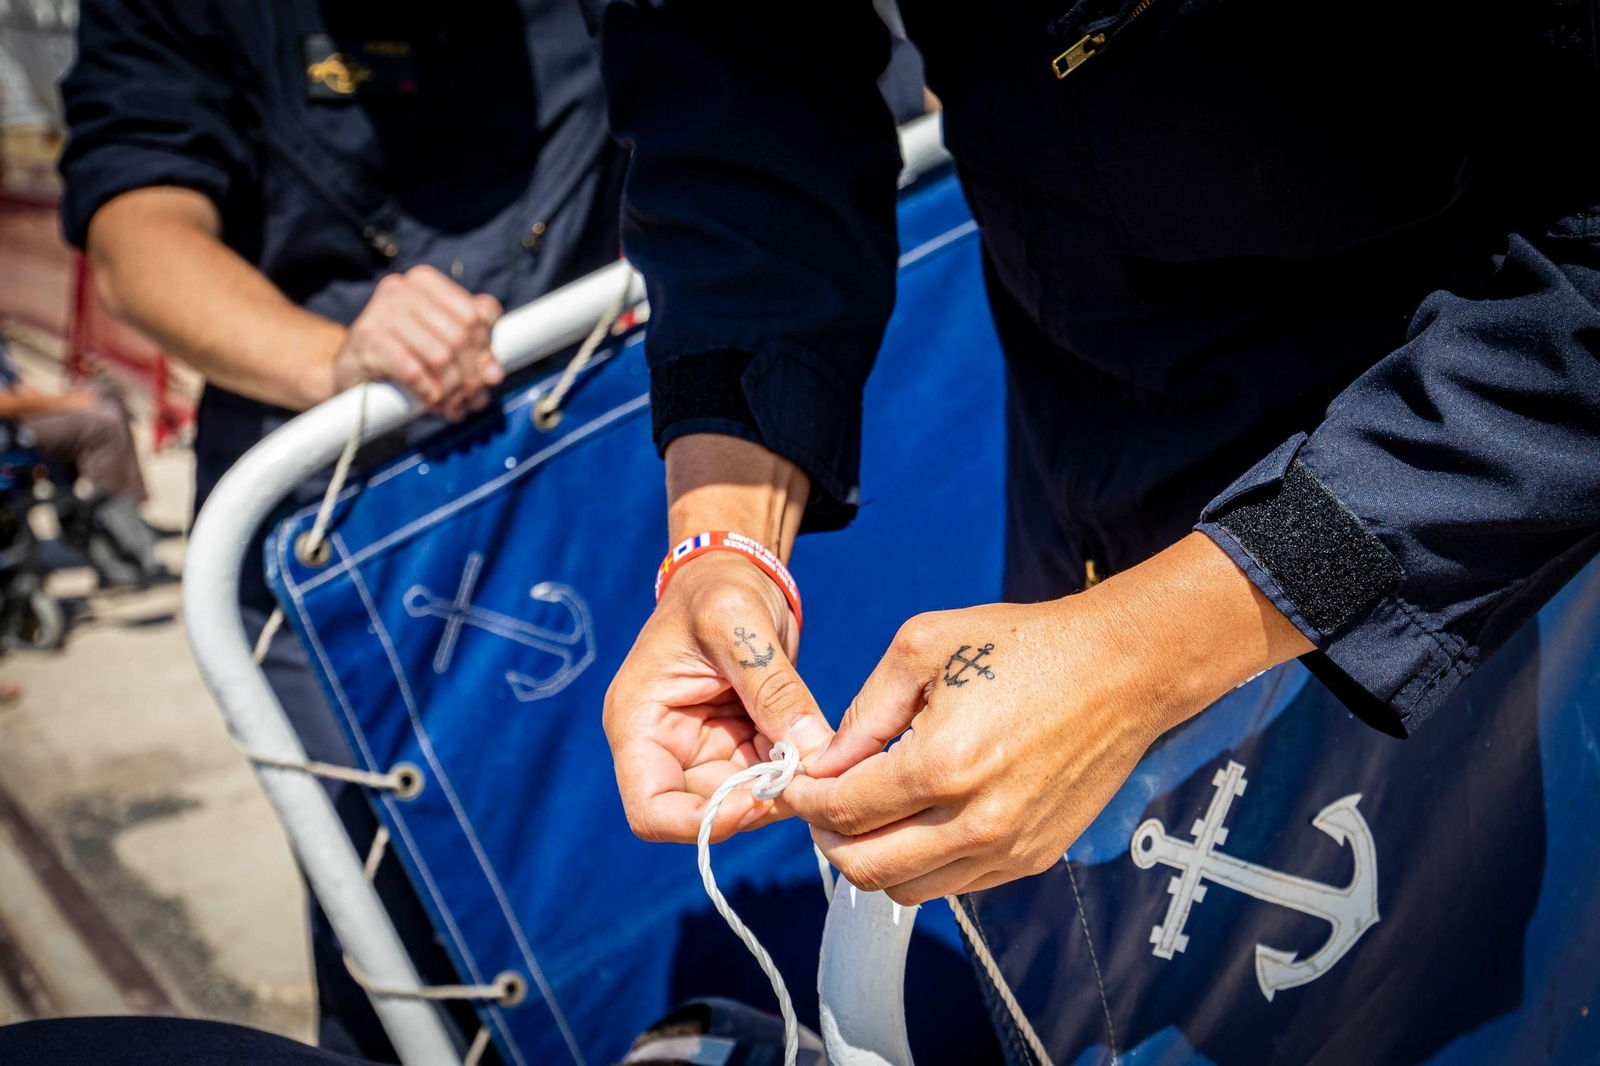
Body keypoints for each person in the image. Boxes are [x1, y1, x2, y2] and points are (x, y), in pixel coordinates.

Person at [593, 0, 1599, 922]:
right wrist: (725, 541)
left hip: (1482, 527)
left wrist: (1144, 648)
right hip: (1079, 507)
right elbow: (736, 79)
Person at [57, 1, 626, 1057]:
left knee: (659, 859)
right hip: (332, 538)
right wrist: (336, 362)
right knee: (420, 919)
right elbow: (137, 232)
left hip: (606, 472)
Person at [0, 338, 170, 587]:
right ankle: (114, 532)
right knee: (103, 425)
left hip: (20, 420)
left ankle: (126, 512)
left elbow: (16, 386)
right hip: (11, 432)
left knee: (107, 393)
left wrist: (65, 398)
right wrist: (66, 403)